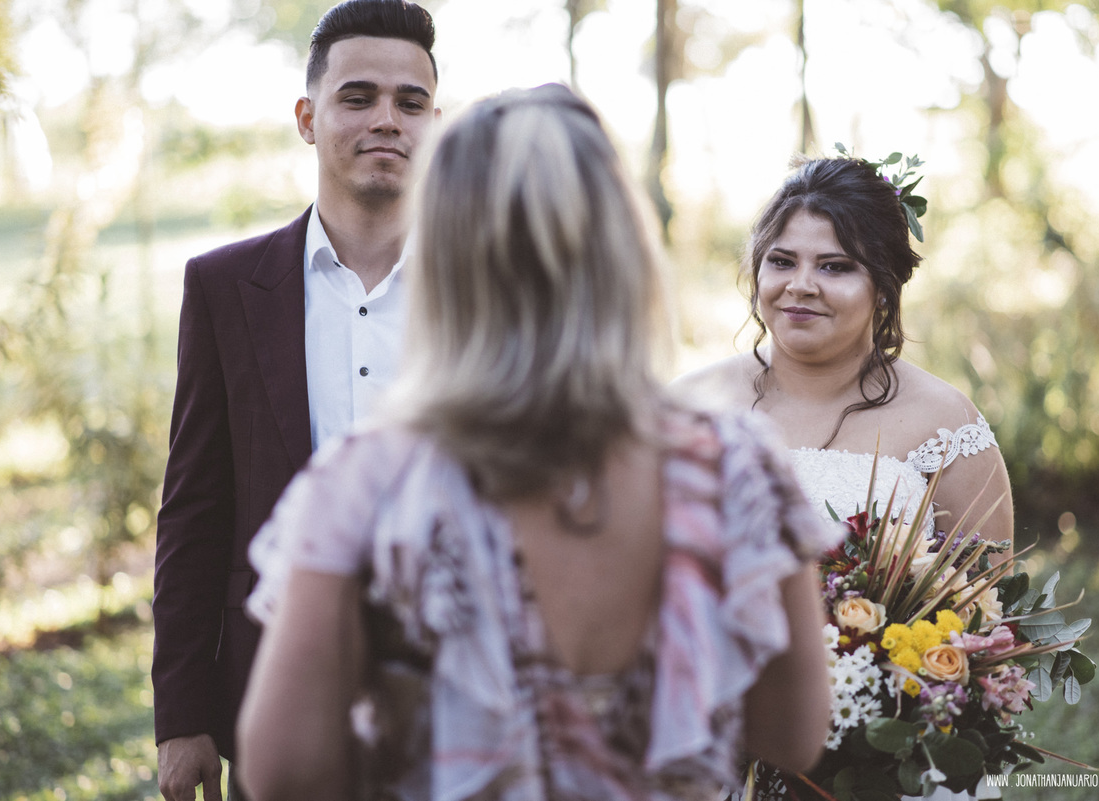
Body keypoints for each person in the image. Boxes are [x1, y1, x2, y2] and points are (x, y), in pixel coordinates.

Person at [235, 84, 839, 801]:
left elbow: (282, 773)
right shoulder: (736, 463)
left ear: (443, 254)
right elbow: (793, 733)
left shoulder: (369, 477)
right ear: (623, 248)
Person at [151, 2, 440, 799]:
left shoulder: (485, 296)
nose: (387, 119)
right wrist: (182, 716)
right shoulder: (223, 288)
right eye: (359, 97)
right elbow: (195, 512)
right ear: (309, 118)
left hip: (456, 718)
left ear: (434, 123)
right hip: (277, 712)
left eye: (409, 102)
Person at [673, 155, 1014, 549]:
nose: (801, 285)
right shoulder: (687, 404)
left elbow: (989, 604)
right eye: (782, 262)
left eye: (834, 267)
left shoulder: (947, 427)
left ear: (885, 286)